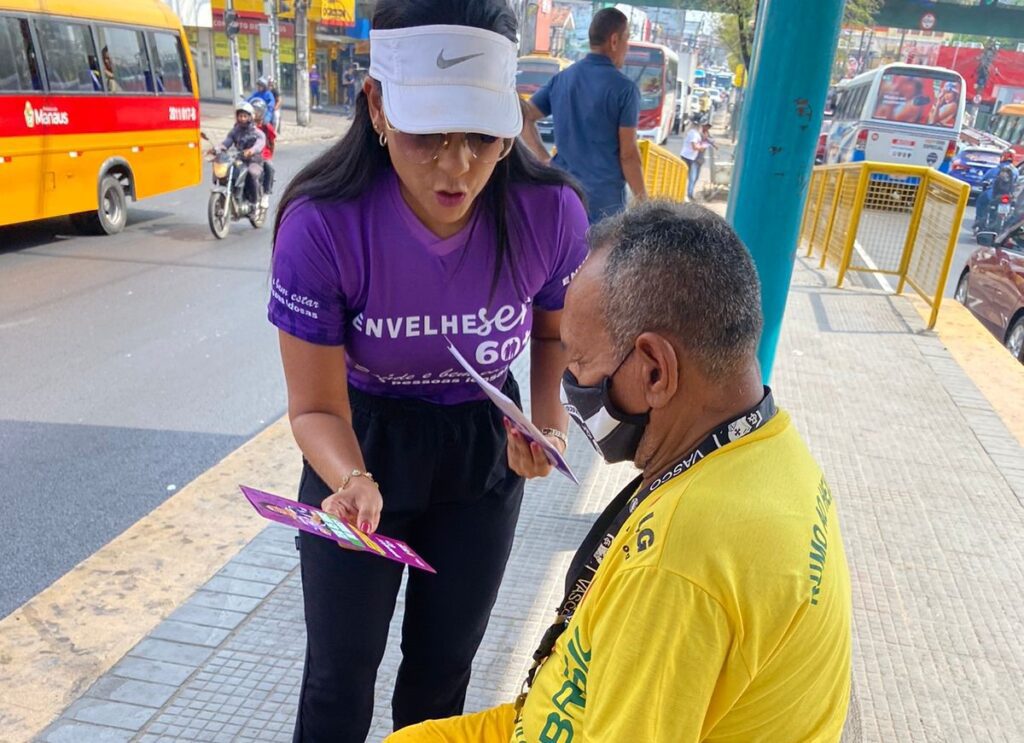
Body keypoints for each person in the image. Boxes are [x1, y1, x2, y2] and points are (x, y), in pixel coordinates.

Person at [386, 200, 853, 743]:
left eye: (579, 361)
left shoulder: (679, 564)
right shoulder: (770, 453)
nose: (570, 381)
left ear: (655, 370)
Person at [268, 0, 590, 740]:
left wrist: (544, 421)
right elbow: (313, 407)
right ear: (377, 107)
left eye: (482, 135)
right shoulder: (323, 224)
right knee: (337, 678)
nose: (458, 165)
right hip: (359, 444)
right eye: (427, 136)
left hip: (482, 449)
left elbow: (551, 332)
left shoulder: (551, 213)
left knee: (443, 674)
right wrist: (349, 478)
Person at [521, 7, 648, 223]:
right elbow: (628, 155)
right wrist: (644, 202)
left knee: (565, 254)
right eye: (627, 39)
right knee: (598, 255)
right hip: (604, 204)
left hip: (563, 192)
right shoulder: (624, 90)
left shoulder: (563, 79)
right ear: (614, 40)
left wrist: (544, 159)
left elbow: (524, 117)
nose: (627, 47)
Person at [216, 101, 265, 210]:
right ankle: (235, 195)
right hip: (239, 160)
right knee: (228, 172)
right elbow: (227, 142)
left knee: (251, 173)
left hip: (254, 160)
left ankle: (254, 202)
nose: (242, 118)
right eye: (240, 116)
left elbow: (260, 144)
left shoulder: (257, 133)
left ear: (250, 117)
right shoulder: (235, 131)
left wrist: (251, 151)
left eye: (244, 116)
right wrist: (218, 148)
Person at [974, 150, 1020, 230]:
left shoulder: (996, 168)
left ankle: (980, 220)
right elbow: (1016, 182)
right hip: (1008, 195)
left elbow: (984, 179)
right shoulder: (1016, 171)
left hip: (994, 194)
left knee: (981, 202)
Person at [251, 98, 276, 209]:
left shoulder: (266, 127)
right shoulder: (246, 125)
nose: (256, 113)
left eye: (258, 111)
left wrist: (270, 155)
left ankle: (266, 194)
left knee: (269, 167)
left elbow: (272, 142)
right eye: (254, 111)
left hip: (263, 155)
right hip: (248, 154)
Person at [680, 118, 714, 201]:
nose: (706, 129)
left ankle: (689, 194)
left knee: (695, 177)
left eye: (708, 127)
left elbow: (711, 141)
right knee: (692, 177)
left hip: (698, 159)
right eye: (705, 126)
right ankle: (689, 194)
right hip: (693, 159)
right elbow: (695, 146)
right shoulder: (695, 134)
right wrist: (702, 147)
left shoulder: (703, 134)